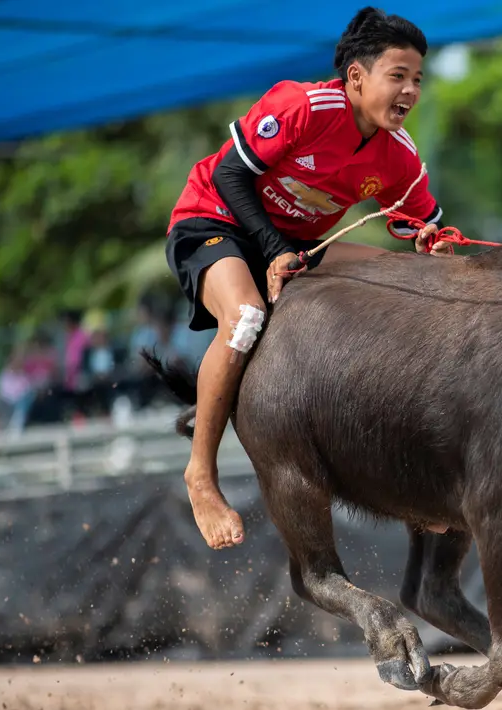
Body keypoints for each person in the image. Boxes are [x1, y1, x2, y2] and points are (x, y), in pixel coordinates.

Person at [163, 6, 451, 550]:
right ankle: (200, 473)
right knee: (245, 315)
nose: (410, 90)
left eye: (418, 79)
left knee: (405, 280)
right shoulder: (301, 105)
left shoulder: (400, 158)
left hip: (297, 246)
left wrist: (433, 242)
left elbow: (426, 227)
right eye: (398, 76)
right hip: (216, 220)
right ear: (356, 77)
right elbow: (230, 174)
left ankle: (413, 481)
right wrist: (271, 248)